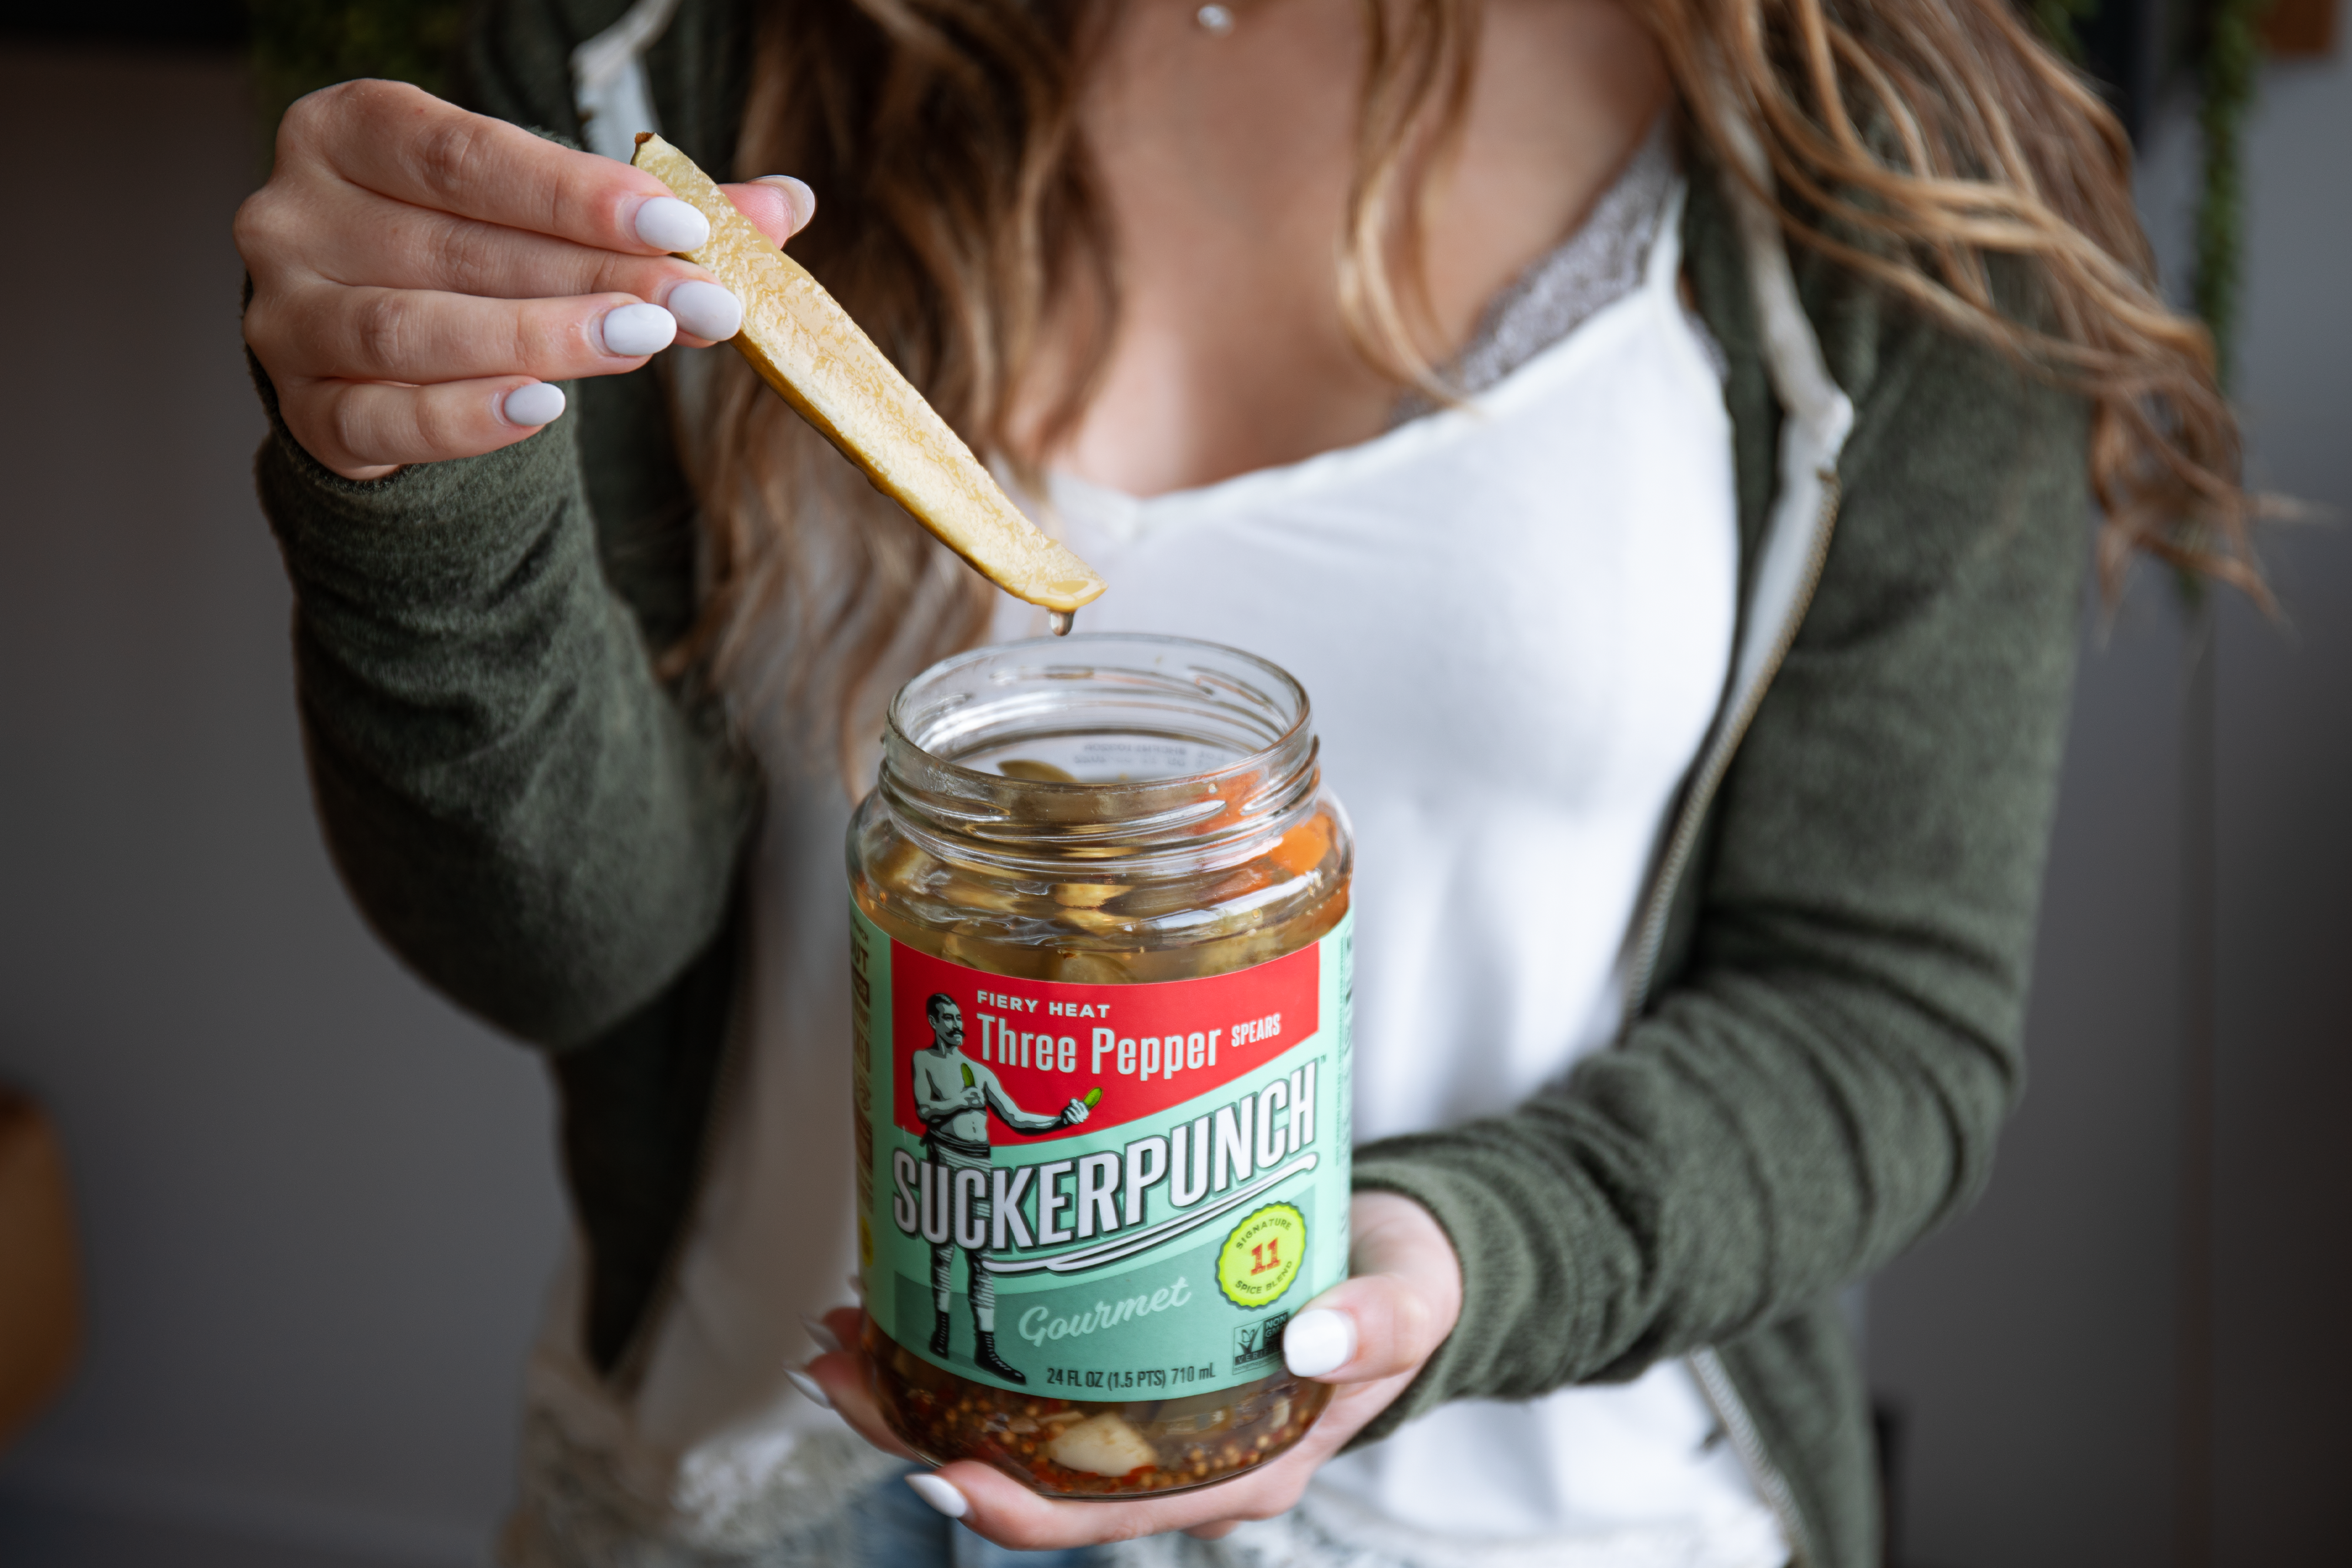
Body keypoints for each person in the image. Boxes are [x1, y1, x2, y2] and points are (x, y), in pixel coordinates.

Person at [232, 0, 2249, 1563]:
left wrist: (1468, 1259)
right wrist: (416, 490)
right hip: (772, 1474)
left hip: (1526, 1505)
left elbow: (1879, 1011)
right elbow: (572, 942)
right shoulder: (646, 63)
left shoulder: (1886, 139)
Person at [910, 993, 1090, 1380]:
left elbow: (1018, 1118)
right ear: (933, 1022)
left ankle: (986, 1348)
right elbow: (924, 1110)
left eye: (960, 1018)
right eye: (948, 1018)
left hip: (980, 1161)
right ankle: (940, 1331)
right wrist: (959, 1101)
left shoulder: (981, 1070)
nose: (957, 1025)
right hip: (945, 1154)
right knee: (943, 1249)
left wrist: (1062, 1121)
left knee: (984, 1259)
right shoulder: (924, 1060)